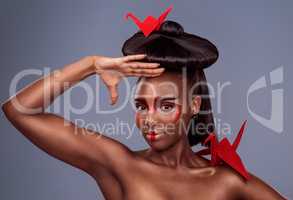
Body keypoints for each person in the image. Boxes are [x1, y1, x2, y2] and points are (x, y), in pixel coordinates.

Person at [2, 20, 286, 200]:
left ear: (194, 105)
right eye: (141, 105)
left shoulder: (227, 181)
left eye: (166, 105)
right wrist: (91, 65)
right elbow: (19, 110)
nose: (149, 119)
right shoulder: (120, 164)